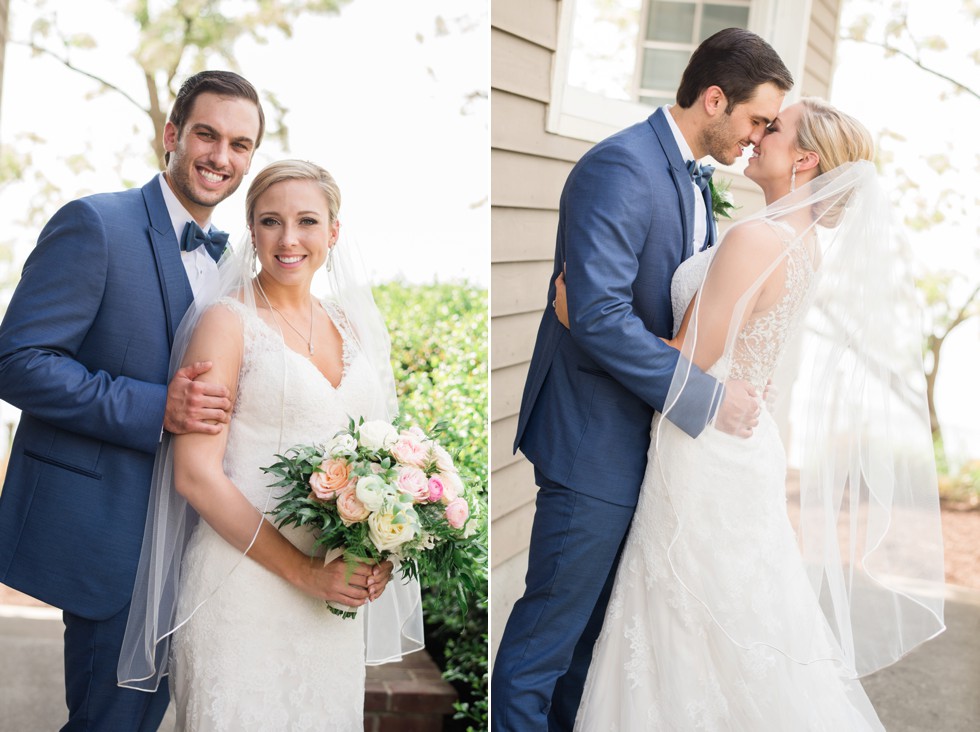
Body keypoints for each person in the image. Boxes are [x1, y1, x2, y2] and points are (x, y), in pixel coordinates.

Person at [557, 98, 946, 728]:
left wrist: (585, 322)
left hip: (702, 446)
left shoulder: (755, 238)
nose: (759, 135)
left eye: (775, 128)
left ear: (804, 159)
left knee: (684, 620)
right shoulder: (800, 244)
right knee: (732, 616)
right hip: (742, 442)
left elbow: (686, 359)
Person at [491, 29, 794, 731]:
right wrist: (708, 396)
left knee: (592, 653)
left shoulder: (693, 178)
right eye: (753, 120)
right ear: (713, 99)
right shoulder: (621, 167)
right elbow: (595, 315)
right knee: (546, 647)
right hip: (592, 443)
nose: (756, 138)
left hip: (648, 448)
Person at [0, 70, 265, 731]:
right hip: (110, 535)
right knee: (108, 721)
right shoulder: (96, 224)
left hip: (197, 544)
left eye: (239, 144)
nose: (220, 157)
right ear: (171, 135)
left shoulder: (237, 265)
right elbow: (17, 362)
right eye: (206, 134)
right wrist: (156, 409)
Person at [117, 160, 425, 730]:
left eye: (307, 221)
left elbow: (377, 465)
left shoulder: (351, 325)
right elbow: (195, 475)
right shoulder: (225, 323)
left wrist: (376, 549)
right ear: (251, 230)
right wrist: (303, 572)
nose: (289, 239)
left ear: (334, 231)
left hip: (329, 603)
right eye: (270, 221)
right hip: (241, 590)